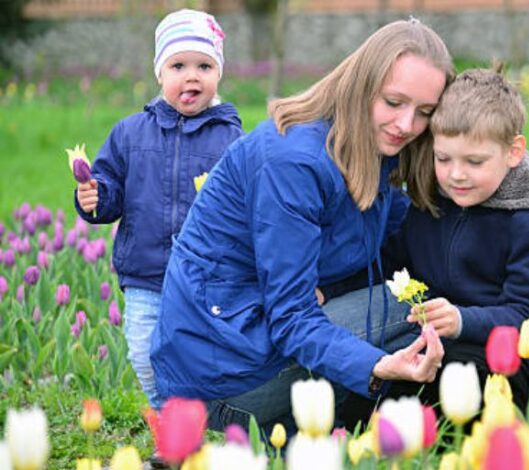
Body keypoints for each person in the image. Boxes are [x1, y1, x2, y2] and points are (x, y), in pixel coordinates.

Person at [150, 19, 452, 438]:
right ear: (362, 85)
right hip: (219, 384)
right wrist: (376, 366)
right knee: (418, 302)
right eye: (394, 101)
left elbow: (424, 235)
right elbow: (292, 317)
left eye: (425, 112)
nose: (406, 124)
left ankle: (336, 428)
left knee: (437, 291)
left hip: (252, 343)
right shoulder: (295, 162)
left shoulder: (373, 151)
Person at [74, 9, 244, 412]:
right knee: (143, 353)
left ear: (218, 74)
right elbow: (109, 186)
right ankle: (173, 422)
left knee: (196, 356)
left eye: (205, 66)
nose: (192, 76)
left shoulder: (231, 138)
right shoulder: (131, 133)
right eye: (178, 65)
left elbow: (246, 200)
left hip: (205, 277)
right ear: (159, 74)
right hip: (146, 273)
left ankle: (192, 421)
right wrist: (96, 199)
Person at [383, 65, 529, 423]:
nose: (456, 174)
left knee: (454, 381)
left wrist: (459, 320)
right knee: (389, 392)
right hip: (444, 347)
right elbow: (393, 263)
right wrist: (332, 288)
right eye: (443, 158)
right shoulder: (431, 201)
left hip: (517, 364)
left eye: (474, 161)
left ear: (513, 152)